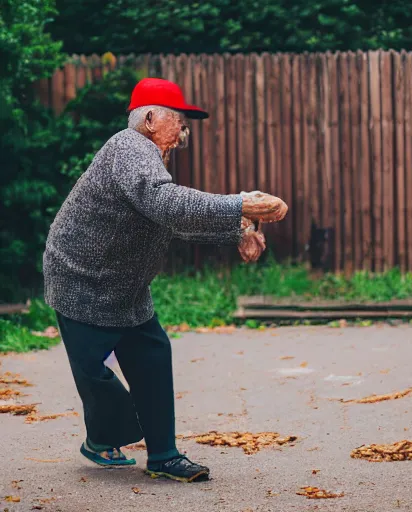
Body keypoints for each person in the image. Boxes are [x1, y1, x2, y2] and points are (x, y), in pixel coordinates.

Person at [43, 77, 287, 483]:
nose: (184, 133)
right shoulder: (128, 147)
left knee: (153, 358)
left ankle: (164, 455)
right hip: (80, 279)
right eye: (180, 121)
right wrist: (241, 204)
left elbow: (170, 219)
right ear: (151, 118)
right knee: (93, 372)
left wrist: (238, 231)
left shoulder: (149, 160)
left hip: (126, 286)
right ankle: (104, 438)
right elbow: (165, 202)